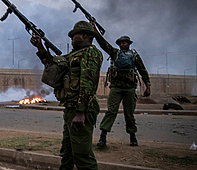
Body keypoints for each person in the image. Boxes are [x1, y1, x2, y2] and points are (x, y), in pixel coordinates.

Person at [30, 21, 103, 170]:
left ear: (84, 35)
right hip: (71, 109)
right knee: (67, 154)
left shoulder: (91, 53)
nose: (71, 38)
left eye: (73, 35)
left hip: (81, 110)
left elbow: (88, 83)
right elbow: (53, 67)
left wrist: (81, 112)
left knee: (83, 156)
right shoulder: (73, 55)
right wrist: (40, 47)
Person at [91, 22, 151, 147]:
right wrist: (95, 31)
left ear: (129, 44)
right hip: (116, 88)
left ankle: (132, 136)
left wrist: (148, 86)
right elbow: (103, 44)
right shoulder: (114, 53)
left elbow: (143, 71)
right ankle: (103, 137)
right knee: (111, 111)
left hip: (129, 88)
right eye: (121, 43)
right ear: (118, 45)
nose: (123, 44)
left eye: (125, 42)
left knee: (129, 114)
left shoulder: (135, 56)